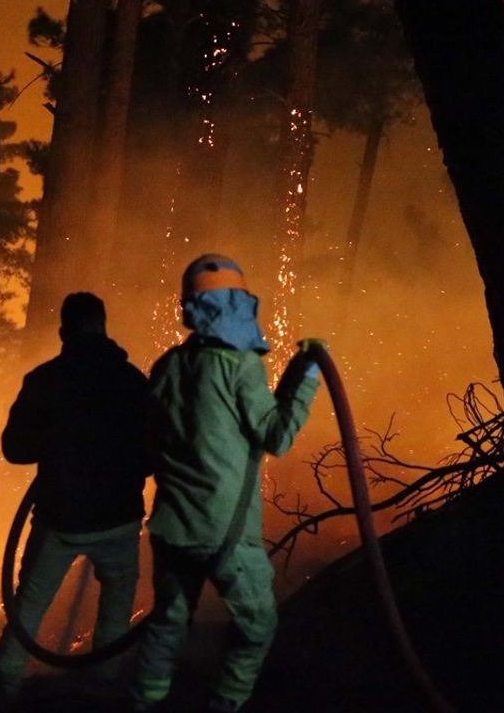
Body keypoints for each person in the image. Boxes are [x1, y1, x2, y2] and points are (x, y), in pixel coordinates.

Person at [131, 254, 321, 713]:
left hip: (173, 528)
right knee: (258, 625)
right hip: (226, 534)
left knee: (168, 623)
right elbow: (276, 435)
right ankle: (225, 704)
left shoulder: (167, 366)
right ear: (238, 302)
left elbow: (149, 442)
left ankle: (144, 704)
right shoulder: (240, 366)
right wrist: (307, 373)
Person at [0, 292, 154, 702]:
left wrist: (57, 444)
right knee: (116, 611)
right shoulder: (132, 382)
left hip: (61, 521)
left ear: (63, 332)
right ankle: (101, 692)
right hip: (119, 520)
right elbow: (152, 453)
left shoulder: (45, 380)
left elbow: (15, 449)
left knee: (28, 612)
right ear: (104, 327)